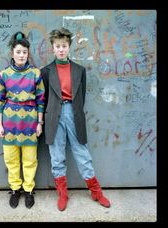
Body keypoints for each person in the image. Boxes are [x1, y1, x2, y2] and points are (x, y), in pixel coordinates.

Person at [40, 27, 111, 211]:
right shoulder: (46, 71)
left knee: (82, 153)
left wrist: (73, 110)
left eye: (64, 45)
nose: (61, 49)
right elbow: (44, 98)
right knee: (57, 156)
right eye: (57, 46)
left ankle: (96, 191)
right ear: (53, 48)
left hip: (73, 112)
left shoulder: (79, 70)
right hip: (53, 115)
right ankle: (63, 194)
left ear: (69, 47)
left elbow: (81, 97)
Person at [0, 31, 45, 209]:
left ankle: (29, 190)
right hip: (9, 123)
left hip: (30, 123)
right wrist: (0, 124)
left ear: (28, 53)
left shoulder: (35, 74)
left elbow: (41, 99)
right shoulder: (4, 75)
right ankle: (15, 189)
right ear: (12, 53)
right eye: (18, 52)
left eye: (24, 52)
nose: (21, 55)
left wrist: (40, 123)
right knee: (11, 159)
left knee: (30, 159)